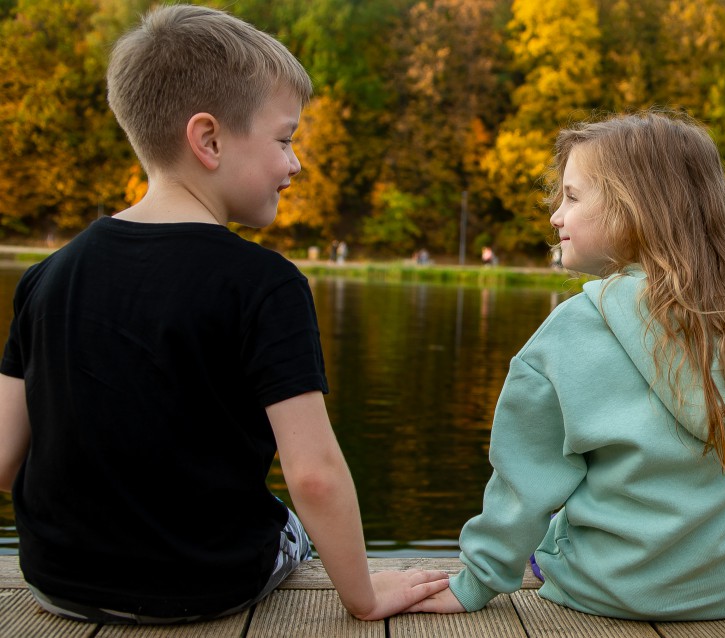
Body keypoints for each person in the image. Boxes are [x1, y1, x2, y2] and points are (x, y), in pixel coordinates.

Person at [0, 4, 447, 625]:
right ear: (208, 139)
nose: (296, 164)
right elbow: (313, 476)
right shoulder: (265, 284)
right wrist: (365, 598)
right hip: (204, 586)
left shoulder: (46, 276)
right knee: (289, 521)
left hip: (55, 583)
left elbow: (4, 459)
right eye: (285, 139)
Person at [407, 110, 725, 620]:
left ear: (633, 210)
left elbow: (524, 482)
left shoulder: (571, 331)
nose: (555, 216)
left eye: (571, 197)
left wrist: (477, 582)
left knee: (550, 526)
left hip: (611, 590)